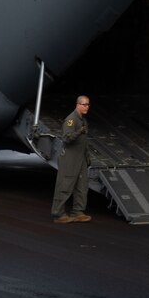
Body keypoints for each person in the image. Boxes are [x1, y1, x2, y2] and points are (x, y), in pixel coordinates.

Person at [51, 94, 92, 224]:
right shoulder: (71, 120)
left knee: (82, 186)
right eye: (84, 104)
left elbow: (83, 142)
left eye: (88, 104)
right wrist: (78, 132)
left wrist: (87, 156)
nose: (86, 107)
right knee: (65, 185)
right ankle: (58, 214)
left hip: (80, 158)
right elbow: (67, 138)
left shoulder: (83, 120)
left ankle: (78, 212)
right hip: (69, 158)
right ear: (78, 105)